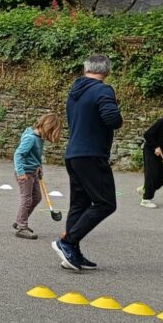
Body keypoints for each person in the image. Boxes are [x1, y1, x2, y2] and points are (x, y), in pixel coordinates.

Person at [54, 54, 123, 271]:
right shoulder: (103, 90)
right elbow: (113, 119)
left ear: (86, 69)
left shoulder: (74, 92)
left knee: (79, 204)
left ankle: (71, 254)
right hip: (92, 155)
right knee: (106, 203)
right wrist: (118, 114)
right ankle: (67, 242)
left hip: (73, 154)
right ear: (107, 71)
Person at [12, 113, 62, 239]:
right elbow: (18, 154)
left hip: (33, 171)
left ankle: (20, 220)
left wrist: (39, 167)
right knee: (27, 199)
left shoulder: (39, 138)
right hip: (25, 173)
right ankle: (22, 227)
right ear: (47, 127)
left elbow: (36, 155)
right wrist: (20, 172)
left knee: (37, 197)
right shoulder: (31, 138)